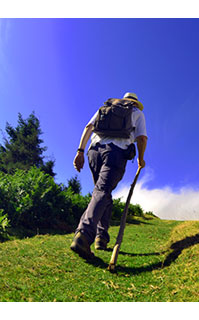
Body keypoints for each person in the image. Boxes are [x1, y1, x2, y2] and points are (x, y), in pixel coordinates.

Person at [70, 92, 148, 259]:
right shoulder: (137, 113)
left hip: (94, 152)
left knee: (102, 193)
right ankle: (83, 235)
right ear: (135, 102)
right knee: (102, 191)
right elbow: (141, 138)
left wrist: (80, 151)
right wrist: (141, 159)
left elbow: (88, 127)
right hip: (116, 152)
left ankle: (101, 237)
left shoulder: (105, 108)